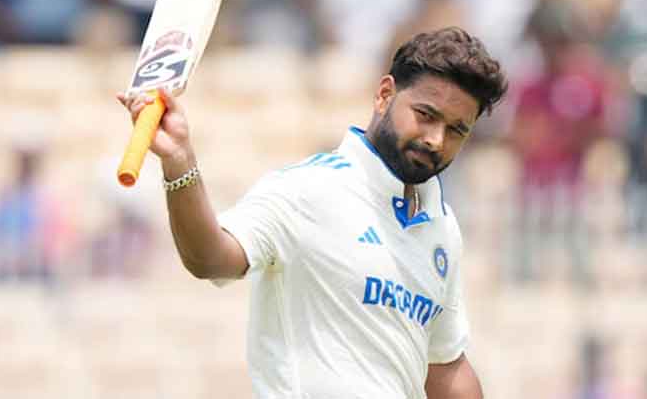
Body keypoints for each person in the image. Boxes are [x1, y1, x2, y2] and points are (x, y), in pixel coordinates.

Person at [117, 27, 508, 399]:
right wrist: (180, 161)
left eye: (457, 130)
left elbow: (445, 368)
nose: (435, 140)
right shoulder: (309, 189)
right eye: (426, 114)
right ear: (385, 94)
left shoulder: (442, 228)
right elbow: (211, 258)